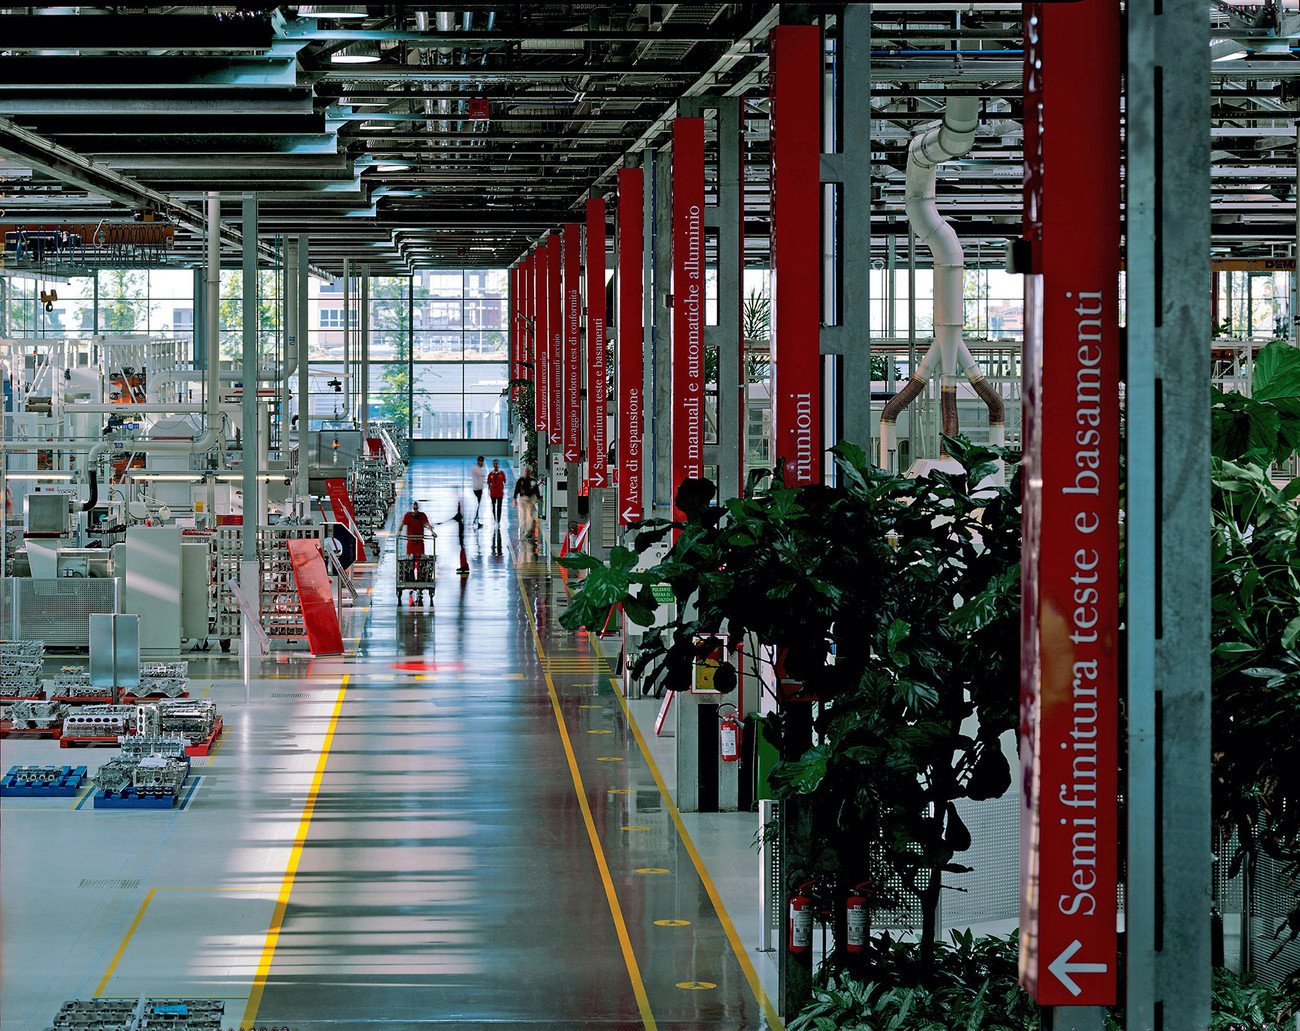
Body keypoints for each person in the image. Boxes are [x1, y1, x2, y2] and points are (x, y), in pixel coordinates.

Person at [399, 501, 432, 605]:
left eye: (416, 509)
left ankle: (420, 587)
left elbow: (426, 524)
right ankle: (411, 584)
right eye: (414, 509)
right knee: (410, 564)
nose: (415, 511)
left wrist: (432, 531)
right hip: (411, 544)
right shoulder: (407, 516)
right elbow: (402, 524)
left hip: (419, 543)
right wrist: (398, 532)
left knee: (420, 564)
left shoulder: (422, 516)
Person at [513, 465, 541, 543]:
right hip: (522, 499)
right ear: (524, 472)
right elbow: (516, 490)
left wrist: (538, 497)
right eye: (526, 471)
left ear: (530, 472)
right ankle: (523, 531)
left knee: (530, 516)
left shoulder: (533, 481)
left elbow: (536, 490)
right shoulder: (520, 480)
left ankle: (528, 531)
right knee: (522, 516)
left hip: (530, 499)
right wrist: (514, 499)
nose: (527, 473)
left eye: (528, 471)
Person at [486, 459, 507, 523]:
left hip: (500, 493)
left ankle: (499, 520)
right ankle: (494, 518)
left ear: (499, 464)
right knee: (493, 506)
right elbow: (488, 483)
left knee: (499, 507)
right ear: (493, 465)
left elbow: (505, 481)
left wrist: (502, 489)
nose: (495, 465)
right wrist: (489, 490)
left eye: (496, 463)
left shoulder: (502, 473)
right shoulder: (490, 474)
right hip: (493, 493)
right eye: (494, 463)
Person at [469, 455, 487, 527]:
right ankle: (475, 520)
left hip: (477, 488)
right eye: (482, 462)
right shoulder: (477, 469)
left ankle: (476, 520)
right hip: (478, 489)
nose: (483, 463)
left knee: (479, 505)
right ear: (480, 462)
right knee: (479, 505)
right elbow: (483, 475)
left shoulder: (477, 468)